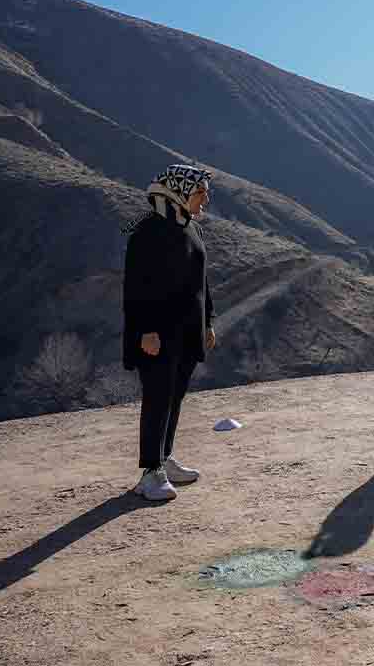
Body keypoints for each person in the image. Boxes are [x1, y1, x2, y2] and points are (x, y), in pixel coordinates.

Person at [123, 164, 217, 502]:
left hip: (187, 330)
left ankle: (164, 458)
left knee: (175, 397)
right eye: (200, 193)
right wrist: (145, 330)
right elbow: (136, 287)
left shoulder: (191, 229)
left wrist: (208, 321)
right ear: (180, 192)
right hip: (157, 333)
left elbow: (201, 282)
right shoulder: (148, 231)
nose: (206, 199)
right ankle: (150, 473)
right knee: (158, 398)